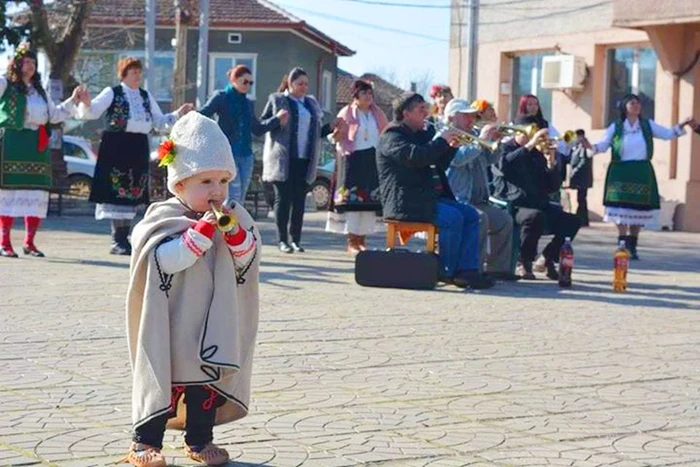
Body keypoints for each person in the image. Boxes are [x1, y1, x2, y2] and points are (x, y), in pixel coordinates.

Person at [123, 112, 260, 467]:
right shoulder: (162, 218)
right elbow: (162, 260)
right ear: (180, 184)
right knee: (163, 382)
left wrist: (237, 239)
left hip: (210, 325)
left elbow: (247, 263)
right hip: (171, 324)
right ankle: (145, 442)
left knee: (205, 390)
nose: (216, 191)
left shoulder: (233, 215)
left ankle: (200, 440)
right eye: (205, 182)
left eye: (222, 181)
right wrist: (197, 236)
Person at [376, 92, 494, 289]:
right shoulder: (392, 136)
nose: (427, 113)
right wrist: (441, 141)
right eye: (421, 109)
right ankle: (446, 271)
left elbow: (437, 163)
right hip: (404, 201)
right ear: (406, 113)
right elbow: (417, 157)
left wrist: (451, 147)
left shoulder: (421, 134)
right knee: (453, 218)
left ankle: (467, 271)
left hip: (426, 198)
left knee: (471, 215)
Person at [78, 57, 194, 255]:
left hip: (137, 146)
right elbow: (92, 111)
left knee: (133, 190)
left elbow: (159, 122)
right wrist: (86, 102)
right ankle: (117, 239)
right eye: (133, 72)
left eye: (139, 73)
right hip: (116, 146)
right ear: (124, 74)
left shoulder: (145, 96)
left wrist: (177, 114)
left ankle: (125, 237)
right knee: (117, 191)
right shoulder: (112, 92)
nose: (137, 76)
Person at [582, 94, 694, 259]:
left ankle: (632, 246)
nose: (636, 106)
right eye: (632, 103)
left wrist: (683, 124)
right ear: (624, 107)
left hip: (641, 172)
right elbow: (603, 145)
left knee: (637, 209)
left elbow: (668, 134)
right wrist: (589, 145)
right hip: (620, 171)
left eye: (638, 103)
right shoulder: (616, 126)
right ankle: (621, 243)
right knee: (620, 209)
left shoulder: (647, 125)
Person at [0, 42, 85, 258]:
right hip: (13, 143)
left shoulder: (40, 91)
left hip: (36, 146)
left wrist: (73, 100)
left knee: (36, 193)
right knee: (8, 193)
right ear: (17, 64)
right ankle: (5, 243)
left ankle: (29, 243)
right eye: (26, 61)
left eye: (33, 62)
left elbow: (54, 115)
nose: (30, 66)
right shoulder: (5, 84)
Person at [491, 115, 582, 280]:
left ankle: (547, 258)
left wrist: (551, 163)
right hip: (514, 204)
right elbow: (504, 167)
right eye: (529, 132)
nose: (533, 137)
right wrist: (529, 145)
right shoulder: (505, 149)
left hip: (539, 203)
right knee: (534, 217)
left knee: (573, 221)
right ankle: (524, 262)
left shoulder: (537, 154)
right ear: (517, 132)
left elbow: (552, 187)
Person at [261, 67, 340, 253]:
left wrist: (331, 127)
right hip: (283, 160)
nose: (304, 87)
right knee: (283, 199)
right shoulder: (278, 99)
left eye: (306, 84)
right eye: (300, 84)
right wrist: (277, 120)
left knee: (299, 201)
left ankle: (295, 240)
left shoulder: (311, 104)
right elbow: (261, 126)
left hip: (305, 159)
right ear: (290, 83)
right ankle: (282, 240)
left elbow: (318, 133)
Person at [441, 99, 517, 281]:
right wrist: (482, 140)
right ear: (452, 118)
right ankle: (474, 269)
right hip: (458, 199)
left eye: (472, 115)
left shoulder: (473, 134)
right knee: (480, 219)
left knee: (504, 220)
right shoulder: (445, 136)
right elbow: (457, 160)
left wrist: (496, 144)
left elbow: (488, 160)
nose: (471, 119)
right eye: (465, 115)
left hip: (479, 199)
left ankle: (498, 269)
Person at [199, 64, 289, 205]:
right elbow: (203, 114)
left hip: (246, 155)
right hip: (227, 153)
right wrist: (188, 117)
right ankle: (225, 225)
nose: (248, 85)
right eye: (244, 81)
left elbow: (257, 129)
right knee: (232, 195)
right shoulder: (221, 97)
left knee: (240, 196)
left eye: (250, 83)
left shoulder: (248, 103)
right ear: (233, 80)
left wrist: (277, 119)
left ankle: (235, 225)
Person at [326, 79, 388, 255]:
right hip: (352, 160)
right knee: (353, 202)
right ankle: (352, 240)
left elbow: (385, 133)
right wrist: (337, 134)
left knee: (369, 202)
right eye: (364, 93)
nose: (368, 97)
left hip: (372, 160)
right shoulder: (347, 112)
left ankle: (362, 240)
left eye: (370, 93)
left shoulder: (378, 114)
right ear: (356, 96)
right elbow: (334, 137)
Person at [569, 129, 593, 227]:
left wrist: (574, 172)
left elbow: (583, 161)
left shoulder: (584, 146)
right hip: (580, 178)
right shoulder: (577, 146)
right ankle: (581, 218)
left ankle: (582, 219)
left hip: (583, 177)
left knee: (581, 199)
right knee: (581, 198)